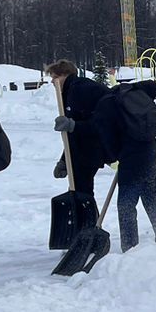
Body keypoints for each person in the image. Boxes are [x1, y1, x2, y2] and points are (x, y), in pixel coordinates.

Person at [94, 80, 156, 252]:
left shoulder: (102, 108)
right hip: (150, 153)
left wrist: (114, 157)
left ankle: (130, 249)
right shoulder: (129, 94)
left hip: (131, 159)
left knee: (126, 205)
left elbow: (108, 141)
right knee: (151, 200)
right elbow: (152, 85)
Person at [46, 60, 110, 206]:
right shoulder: (70, 91)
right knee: (78, 189)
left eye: (54, 77)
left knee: (82, 191)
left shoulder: (81, 90)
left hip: (93, 147)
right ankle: (86, 223)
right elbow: (72, 131)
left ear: (65, 75)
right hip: (84, 149)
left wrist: (73, 125)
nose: (52, 81)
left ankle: (88, 224)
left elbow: (97, 124)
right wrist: (64, 161)